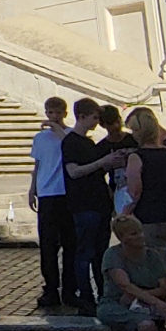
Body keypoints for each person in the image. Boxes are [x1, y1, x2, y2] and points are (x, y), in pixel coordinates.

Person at [97, 215, 166, 331]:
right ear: (122, 238)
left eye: (140, 232)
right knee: (146, 326)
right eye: (134, 234)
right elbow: (125, 285)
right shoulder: (112, 255)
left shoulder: (153, 256)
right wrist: (155, 301)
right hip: (116, 304)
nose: (141, 236)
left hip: (146, 303)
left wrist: (142, 296)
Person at [60, 99, 118, 317]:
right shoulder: (71, 142)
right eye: (94, 117)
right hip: (83, 205)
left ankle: (103, 294)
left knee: (100, 253)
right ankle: (86, 296)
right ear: (82, 116)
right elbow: (74, 172)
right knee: (85, 252)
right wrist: (103, 161)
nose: (96, 122)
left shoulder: (88, 143)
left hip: (99, 204)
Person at [121, 108, 166, 259]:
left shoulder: (136, 157)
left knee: (155, 261)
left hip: (150, 217)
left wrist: (127, 211)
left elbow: (135, 190)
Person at [29, 97, 76, 313]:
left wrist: (57, 128)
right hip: (47, 193)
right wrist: (33, 188)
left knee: (70, 244)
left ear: (64, 113)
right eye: (50, 112)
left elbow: (70, 146)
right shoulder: (40, 138)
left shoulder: (71, 135)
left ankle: (70, 288)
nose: (53, 117)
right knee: (48, 245)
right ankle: (50, 288)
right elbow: (38, 164)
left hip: (66, 194)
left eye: (57, 113)